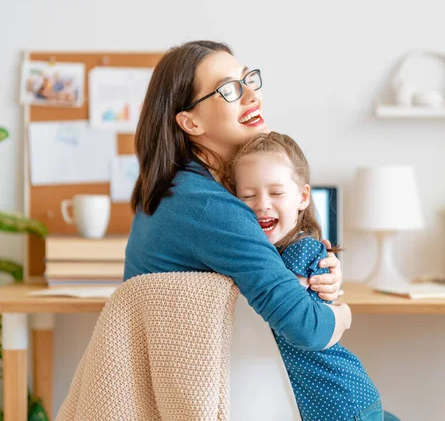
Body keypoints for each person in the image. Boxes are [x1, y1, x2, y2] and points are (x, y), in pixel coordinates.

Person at [124, 40, 351, 355]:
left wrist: (316, 269)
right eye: (229, 89)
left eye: (248, 80)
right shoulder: (207, 206)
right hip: (223, 395)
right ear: (190, 122)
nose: (252, 95)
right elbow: (309, 329)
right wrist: (344, 313)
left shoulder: (181, 188)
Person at [227, 132, 401, 421]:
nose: (262, 204)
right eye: (248, 195)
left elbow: (281, 293)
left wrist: (342, 311)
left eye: (276, 192)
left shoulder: (303, 248)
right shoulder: (269, 254)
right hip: (325, 401)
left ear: (302, 197)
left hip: (341, 399)